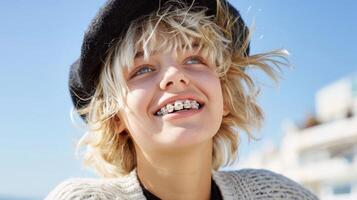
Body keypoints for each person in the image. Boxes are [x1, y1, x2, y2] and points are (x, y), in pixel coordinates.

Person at [46, 0, 318, 199]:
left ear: (225, 96)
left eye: (194, 59)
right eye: (143, 69)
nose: (175, 76)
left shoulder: (280, 195)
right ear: (115, 116)